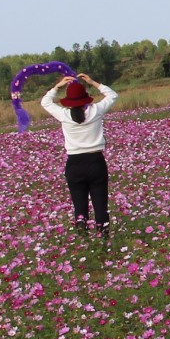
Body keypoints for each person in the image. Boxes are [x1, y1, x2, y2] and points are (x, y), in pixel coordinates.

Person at [41, 74, 119, 230]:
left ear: (68, 101)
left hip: (74, 165)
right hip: (95, 162)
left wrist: (58, 86)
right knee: (100, 206)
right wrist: (92, 82)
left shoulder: (64, 115)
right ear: (86, 97)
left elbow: (45, 102)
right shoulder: (95, 110)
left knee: (80, 208)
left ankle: (83, 240)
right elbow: (113, 95)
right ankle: (103, 241)